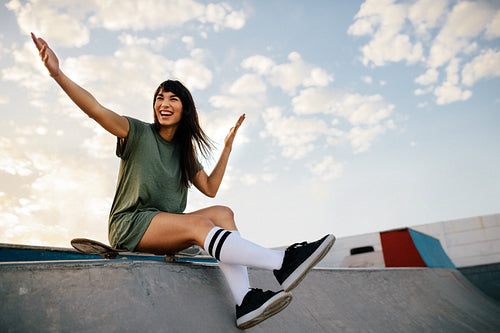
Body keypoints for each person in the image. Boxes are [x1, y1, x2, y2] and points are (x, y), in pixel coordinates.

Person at [31, 32, 335, 329]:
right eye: (159, 98)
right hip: (131, 226)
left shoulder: (184, 151)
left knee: (222, 213)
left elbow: (210, 188)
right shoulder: (136, 132)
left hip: (163, 228)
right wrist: (58, 74)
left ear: (184, 108)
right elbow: (95, 109)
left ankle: (245, 300)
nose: (164, 103)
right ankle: (283, 261)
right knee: (200, 227)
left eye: (173, 98)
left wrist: (227, 149)